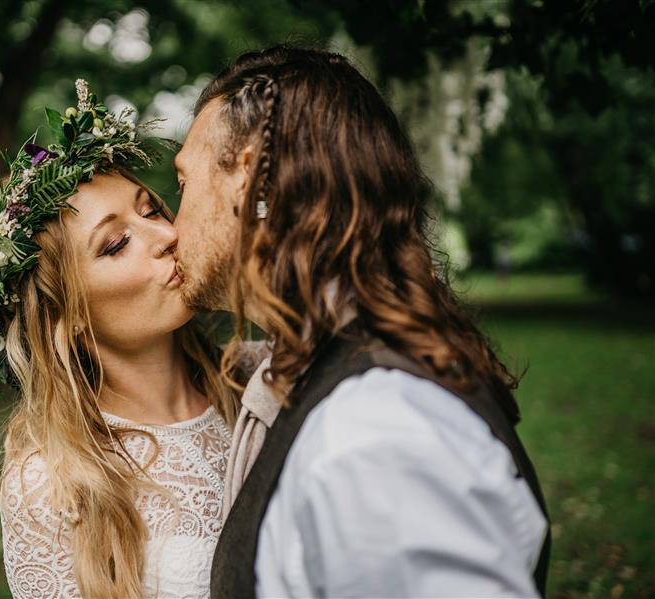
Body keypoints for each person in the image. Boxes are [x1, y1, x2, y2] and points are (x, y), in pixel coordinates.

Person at [172, 45, 552, 598]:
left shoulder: (376, 436)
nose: (170, 225)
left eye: (183, 182)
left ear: (250, 176)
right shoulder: (328, 375)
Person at [0, 80, 263, 599]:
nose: (166, 237)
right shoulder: (50, 486)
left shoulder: (263, 379)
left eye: (152, 210)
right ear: (64, 319)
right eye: (116, 244)